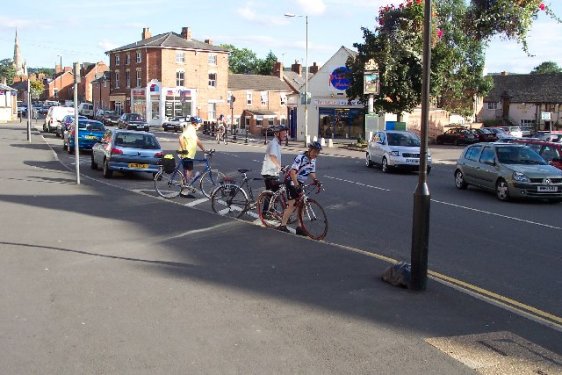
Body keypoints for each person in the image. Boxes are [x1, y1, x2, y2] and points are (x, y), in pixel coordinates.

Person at [278, 141, 322, 234]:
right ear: (310, 150)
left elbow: (311, 171)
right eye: (315, 152)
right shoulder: (300, 158)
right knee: (292, 204)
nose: (316, 154)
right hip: (292, 181)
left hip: (300, 182)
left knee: (301, 205)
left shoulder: (313, 159)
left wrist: (315, 180)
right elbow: (292, 172)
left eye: (318, 152)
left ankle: (299, 228)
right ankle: (282, 225)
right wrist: (297, 185)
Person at [261, 125, 289, 210]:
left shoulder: (276, 144)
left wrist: (281, 166)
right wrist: (280, 167)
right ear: (277, 134)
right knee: (273, 193)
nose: (285, 134)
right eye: (283, 132)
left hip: (272, 172)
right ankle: (267, 212)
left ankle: (270, 211)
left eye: (286, 132)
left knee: (273, 193)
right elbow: (273, 157)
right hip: (269, 172)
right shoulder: (273, 144)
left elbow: (275, 158)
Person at [178, 117, 207, 187]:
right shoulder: (190, 129)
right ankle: (185, 189)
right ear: (195, 123)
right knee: (189, 171)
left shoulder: (192, 130)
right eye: (199, 124)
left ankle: (184, 186)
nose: (200, 125)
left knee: (187, 172)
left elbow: (197, 141)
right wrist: (184, 149)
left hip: (189, 154)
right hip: (187, 154)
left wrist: (204, 150)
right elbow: (180, 138)